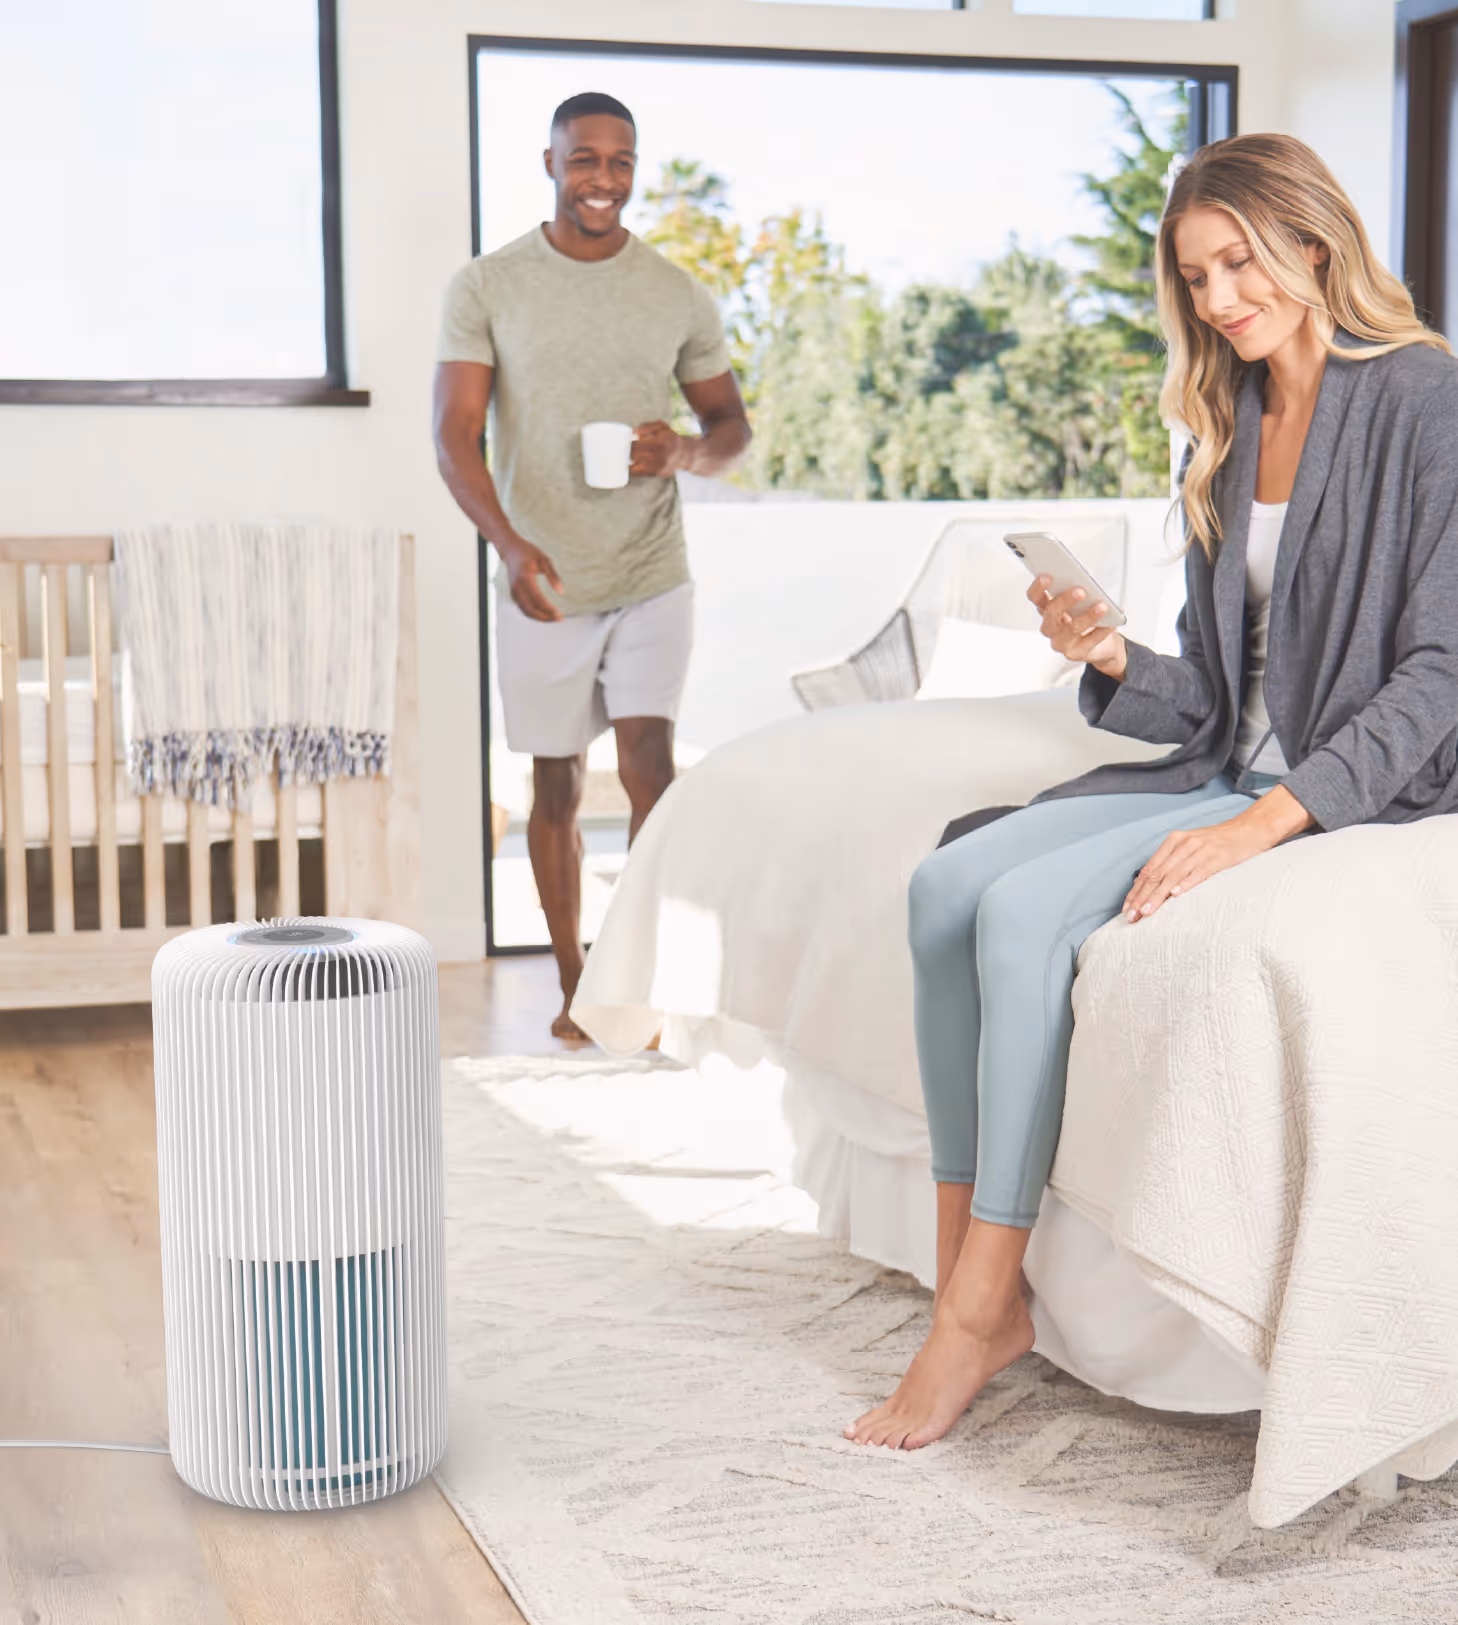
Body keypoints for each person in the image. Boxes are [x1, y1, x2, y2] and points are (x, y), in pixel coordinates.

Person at [846, 132, 1458, 1451]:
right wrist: (1113, 655)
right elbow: (1218, 698)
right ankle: (970, 1286)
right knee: (948, 883)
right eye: (1193, 278)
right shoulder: (1228, 431)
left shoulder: (1419, 396)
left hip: (1335, 790)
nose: (1219, 299)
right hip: (1218, 763)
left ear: (1312, 242)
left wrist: (1266, 821)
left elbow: (1439, 667)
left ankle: (973, 1312)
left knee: (1020, 918)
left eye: (1238, 262)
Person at [434, 92, 751, 1039]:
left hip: (652, 569)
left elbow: (731, 429)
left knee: (650, 763)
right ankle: (575, 984)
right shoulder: (487, 286)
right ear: (550, 163)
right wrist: (510, 543)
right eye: (584, 161)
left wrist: (682, 454)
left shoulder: (675, 292)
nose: (603, 180)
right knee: (556, 785)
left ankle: (646, 975)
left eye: (620, 162)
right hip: (544, 582)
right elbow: (454, 437)